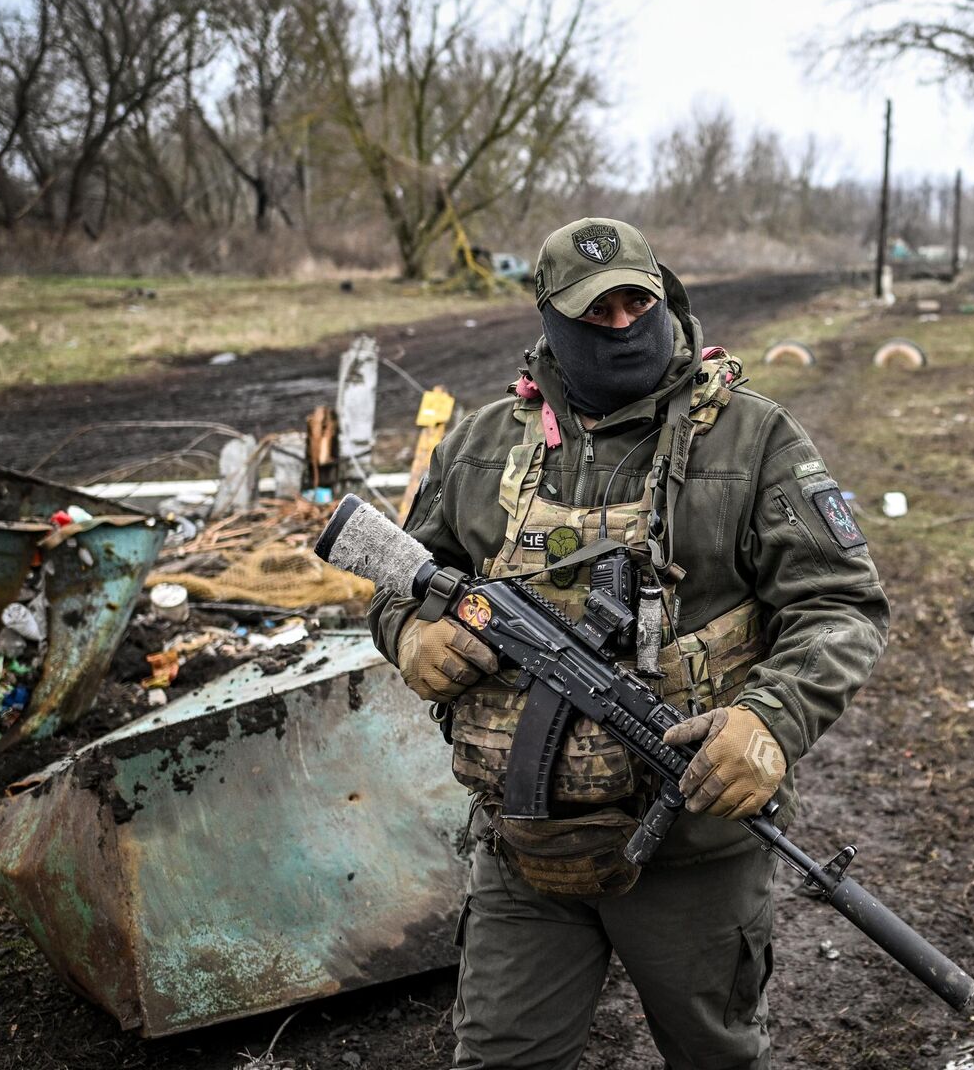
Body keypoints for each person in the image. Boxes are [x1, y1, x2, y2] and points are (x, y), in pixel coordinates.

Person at [367, 217, 889, 1069]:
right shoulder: (483, 443)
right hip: (522, 847)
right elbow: (403, 579)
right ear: (549, 321)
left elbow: (841, 607)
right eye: (592, 313)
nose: (618, 326)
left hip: (692, 853)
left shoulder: (753, 440)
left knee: (713, 1057)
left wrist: (770, 719)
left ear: (665, 299)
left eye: (633, 304)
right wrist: (409, 635)